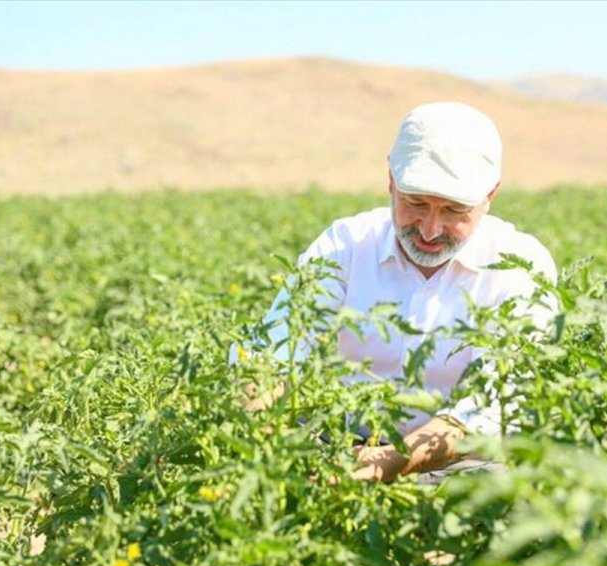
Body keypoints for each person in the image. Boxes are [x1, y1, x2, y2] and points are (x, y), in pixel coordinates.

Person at [233, 101, 558, 483]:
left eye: (454, 211)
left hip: (462, 461)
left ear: (491, 195)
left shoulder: (520, 266)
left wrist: (388, 462)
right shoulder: (346, 245)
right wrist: (270, 445)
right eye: (415, 203)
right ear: (390, 180)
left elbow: (491, 411)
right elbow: (268, 359)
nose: (431, 230)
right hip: (337, 443)